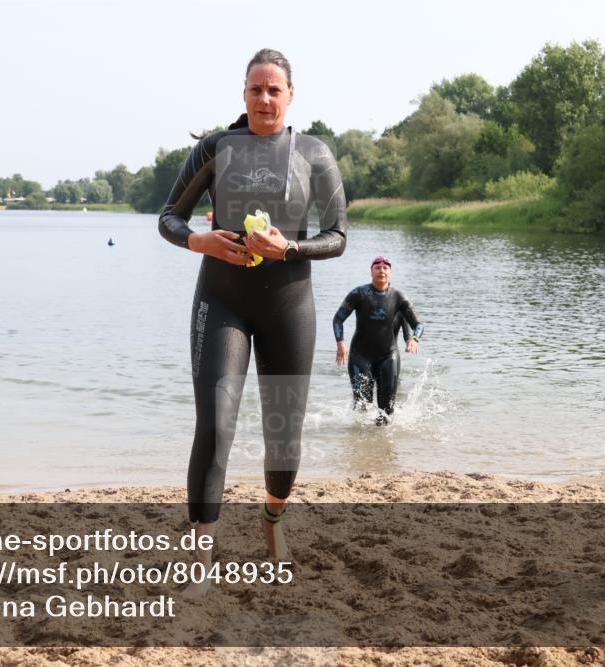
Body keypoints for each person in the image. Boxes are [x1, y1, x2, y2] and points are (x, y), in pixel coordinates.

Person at [158, 48, 346, 587]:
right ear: (243, 94)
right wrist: (200, 240)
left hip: (289, 305)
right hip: (223, 301)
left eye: (274, 89)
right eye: (255, 89)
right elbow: (169, 217)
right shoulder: (215, 148)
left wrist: (288, 248)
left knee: (284, 437)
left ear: (291, 94)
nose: (264, 98)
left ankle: (272, 524)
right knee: (215, 425)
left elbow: (337, 239)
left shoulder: (314, 153)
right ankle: (201, 551)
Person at [333, 256, 423, 425]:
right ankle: (362, 448)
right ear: (371, 271)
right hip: (360, 356)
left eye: (385, 268)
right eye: (377, 267)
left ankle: (383, 446)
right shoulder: (358, 293)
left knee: (387, 411)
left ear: (390, 272)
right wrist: (340, 343)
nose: (381, 270)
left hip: (388, 356)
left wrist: (414, 339)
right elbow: (338, 318)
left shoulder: (398, 297)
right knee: (362, 407)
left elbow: (418, 325)